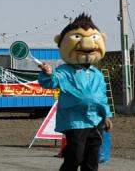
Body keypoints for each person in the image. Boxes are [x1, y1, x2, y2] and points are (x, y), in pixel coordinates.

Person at [38, 13, 113, 171]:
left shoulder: (97, 74)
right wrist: (47, 73)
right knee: (75, 157)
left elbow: (102, 97)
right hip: (75, 121)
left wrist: (106, 115)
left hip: (95, 121)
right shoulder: (64, 71)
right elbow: (51, 82)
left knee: (92, 159)